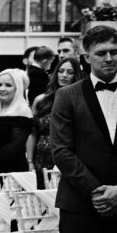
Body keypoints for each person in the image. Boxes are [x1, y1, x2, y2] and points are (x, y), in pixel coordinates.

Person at [50, 25, 117, 233]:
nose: (109, 58)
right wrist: (97, 190)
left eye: (114, 52)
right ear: (86, 55)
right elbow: (61, 151)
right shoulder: (68, 95)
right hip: (79, 200)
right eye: (102, 52)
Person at [26, 57, 83, 187]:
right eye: (61, 71)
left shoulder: (81, 100)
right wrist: (29, 161)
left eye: (70, 72)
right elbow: (33, 133)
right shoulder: (41, 100)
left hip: (70, 160)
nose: (64, 75)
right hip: (41, 160)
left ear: (76, 76)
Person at [0, 69, 33, 191]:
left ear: (18, 88)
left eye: (8, 85)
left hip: (12, 171)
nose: (2, 89)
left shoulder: (23, 110)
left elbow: (16, 145)